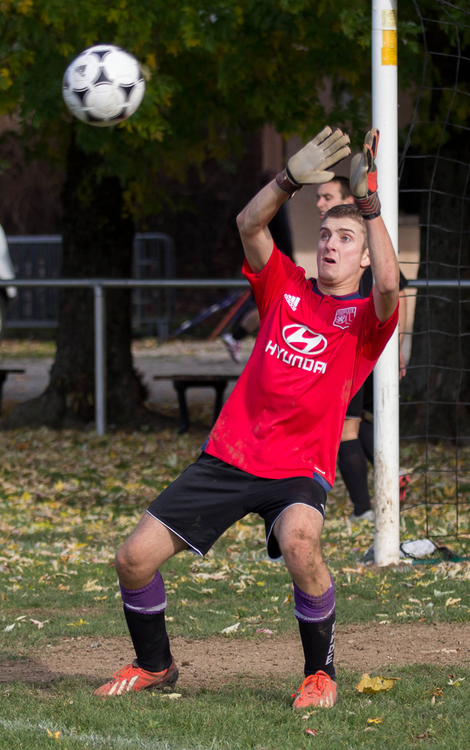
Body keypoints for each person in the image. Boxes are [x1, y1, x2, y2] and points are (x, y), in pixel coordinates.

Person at [94, 126, 399, 709]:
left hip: (296, 471)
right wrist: (288, 178)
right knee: (132, 560)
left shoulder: (365, 321)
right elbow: (247, 225)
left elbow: (390, 283)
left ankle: (320, 674)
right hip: (230, 457)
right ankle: (155, 665)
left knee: (302, 544)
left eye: (344, 238)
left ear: (361, 254)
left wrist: (370, 208)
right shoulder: (285, 286)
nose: (331, 244)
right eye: (326, 234)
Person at [316, 178, 409, 521]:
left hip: (360, 346)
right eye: (318, 198)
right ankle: (393, 474)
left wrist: (396, 345)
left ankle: (365, 508)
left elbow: (396, 290)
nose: (320, 204)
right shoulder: (333, 252)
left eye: (328, 197)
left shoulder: (370, 243)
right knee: (357, 421)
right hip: (351, 347)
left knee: (346, 427)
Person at [221, 171, 295, 363]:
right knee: (273, 307)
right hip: (272, 264)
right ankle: (237, 336)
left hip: (267, 262)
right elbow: (284, 236)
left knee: (273, 308)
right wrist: (290, 261)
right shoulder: (274, 207)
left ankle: (249, 340)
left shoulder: (264, 207)